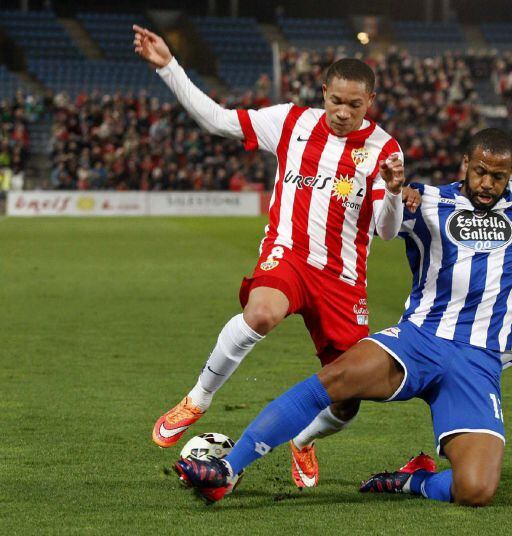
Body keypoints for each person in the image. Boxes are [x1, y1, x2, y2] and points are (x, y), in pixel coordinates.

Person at [173, 128, 512, 506]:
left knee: (476, 490)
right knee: (335, 379)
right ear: (465, 164)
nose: (487, 184)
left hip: (478, 360)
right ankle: (228, 470)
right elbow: (381, 222)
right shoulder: (428, 200)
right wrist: (396, 192)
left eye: (498, 176)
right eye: (480, 172)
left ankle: (413, 478)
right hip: (418, 341)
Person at [133, 25, 419, 488]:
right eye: (336, 101)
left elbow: (386, 232)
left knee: (347, 398)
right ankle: (198, 398)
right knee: (261, 313)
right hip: (288, 255)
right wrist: (168, 67)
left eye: (355, 105)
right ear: (323, 92)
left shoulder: (384, 149)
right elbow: (218, 120)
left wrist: (393, 189)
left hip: (342, 280)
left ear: (370, 101)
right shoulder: (290, 121)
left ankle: (303, 440)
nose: (343, 113)